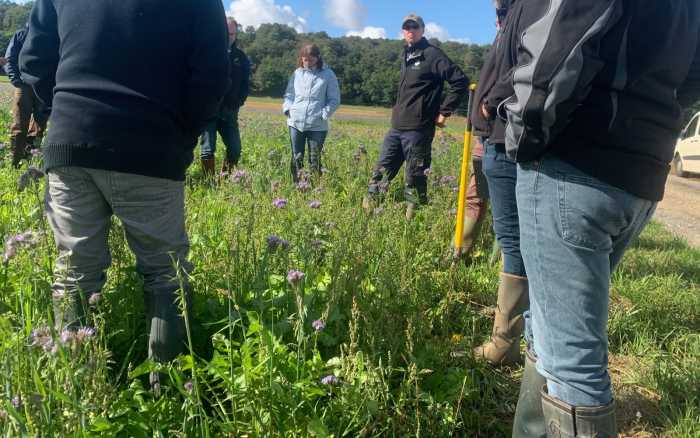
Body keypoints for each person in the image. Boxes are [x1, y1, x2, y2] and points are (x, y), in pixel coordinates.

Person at [503, 1, 700, 436]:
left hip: (573, 165)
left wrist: (524, 137)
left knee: (573, 365)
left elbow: (559, 42)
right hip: (637, 174)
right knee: (551, 328)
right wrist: (649, 132)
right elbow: (692, 75)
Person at [20, 0, 229, 392]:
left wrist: (64, 110)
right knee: (166, 272)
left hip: (72, 142)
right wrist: (182, 135)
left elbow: (33, 57)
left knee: (75, 270)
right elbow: (212, 75)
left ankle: (75, 389)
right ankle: (165, 391)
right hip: (152, 146)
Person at [468, 0, 531, 367]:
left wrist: (491, 101)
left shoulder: (524, 19)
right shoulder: (505, 29)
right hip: (494, 137)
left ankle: (504, 343)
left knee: (513, 239)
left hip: (506, 138)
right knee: (512, 237)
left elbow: (526, 64)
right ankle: (510, 332)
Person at [363, 14, 468, 219]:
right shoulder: (406, 55)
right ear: (403, 31)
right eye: (407, 27)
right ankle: (367, 216)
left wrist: (444, 112)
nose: (410, 31)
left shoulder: (432, 55)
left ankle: (413, 222)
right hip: (397, 126)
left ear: (422, 29)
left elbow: (460, 82)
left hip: (419, 128)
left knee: (415, 176)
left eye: (415, 27)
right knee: (381, 171)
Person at [200, 16, 250, 177]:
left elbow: (245, 84)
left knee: (235, 149)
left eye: (233, 34)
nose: (230, 37)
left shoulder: (241, 58)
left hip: (230, 112)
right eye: (227, 33)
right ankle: (209, 184)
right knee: (207, 150)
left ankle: (225, 179)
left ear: (236, 35)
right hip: (209, 111)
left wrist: (239, 101)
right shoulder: (208, 52)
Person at [283, 43, 340, 181]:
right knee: (297, 157)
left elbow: (334, 99)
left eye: (311, 59)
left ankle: (314, 188)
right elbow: (289, 94)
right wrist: (287, 109)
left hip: (317, 125)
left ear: (318, 57)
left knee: (314, 159)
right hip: (295, 122)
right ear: (301, 58)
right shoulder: (297, 73)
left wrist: (323, 114)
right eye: (305, 59)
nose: (307, 62)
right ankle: (297, 186)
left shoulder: (328, 74)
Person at [4, 24, 48, 167]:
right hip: (24, 86)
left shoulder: (50, 35)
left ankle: (30, 165)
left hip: (43, 88)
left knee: (38, 129)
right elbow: (9, 58)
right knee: (18, 128)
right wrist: (15, 79)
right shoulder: (21, 34)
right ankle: (13, 164)